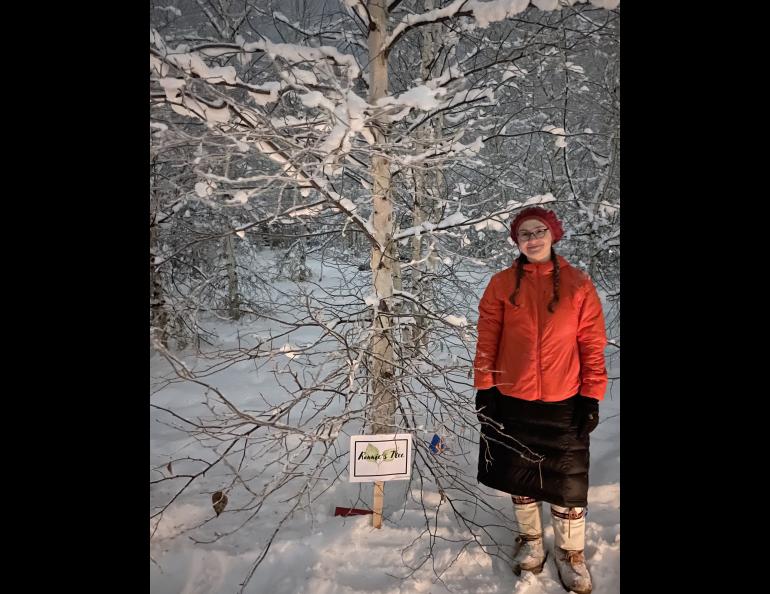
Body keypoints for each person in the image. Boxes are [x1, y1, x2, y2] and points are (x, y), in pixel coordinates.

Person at [473, 206, 607, 594]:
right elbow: (488, 340)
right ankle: (532, 541)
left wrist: (591, 396)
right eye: (524, 234)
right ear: (516, 241)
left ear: (553, 234)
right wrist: (486, 387)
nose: (532, 239)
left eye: (539, 231)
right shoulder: (500, 284)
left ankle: (570, 554)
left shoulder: (578, 285)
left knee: (567, 481)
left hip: (565, 399)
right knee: (521, 475)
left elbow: (592, 345)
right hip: (512, 398)